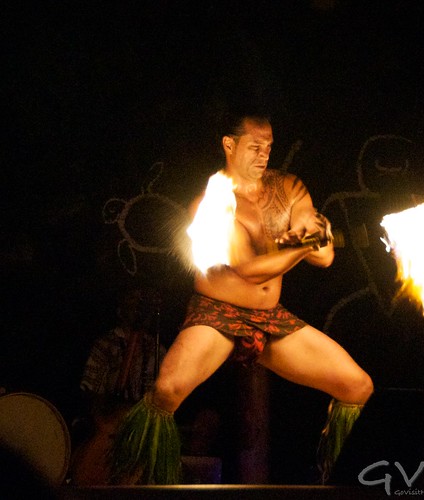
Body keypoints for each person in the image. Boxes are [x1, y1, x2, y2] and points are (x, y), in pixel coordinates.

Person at [110, 112, 374, 485]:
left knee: (356, 385)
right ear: (229, 145)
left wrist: (312, 236)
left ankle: (347, 483)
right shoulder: (214, 202)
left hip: (270, 318)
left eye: (268, 146)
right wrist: (303, 248)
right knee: (167, 392)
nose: (264, 154)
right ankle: (129, 484)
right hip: (217, 313)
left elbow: (324, 255)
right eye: (255, 146)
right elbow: (249, 270)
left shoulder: (290, 187)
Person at [70, 286, 165, 485]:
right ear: (121, 310)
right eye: (133, 300)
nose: (139, 306)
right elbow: (90, 391)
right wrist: (107, 422)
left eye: (142, 301)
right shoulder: (106, 344)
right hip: (108, 419)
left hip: (141, 422)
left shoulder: (156, 349)